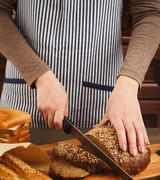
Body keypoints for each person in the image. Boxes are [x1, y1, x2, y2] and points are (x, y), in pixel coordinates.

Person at [0, 0, 160, 157]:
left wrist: (129, 83)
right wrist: (38, 75)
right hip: (25, 95)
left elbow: (150, 12)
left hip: (104, 102)